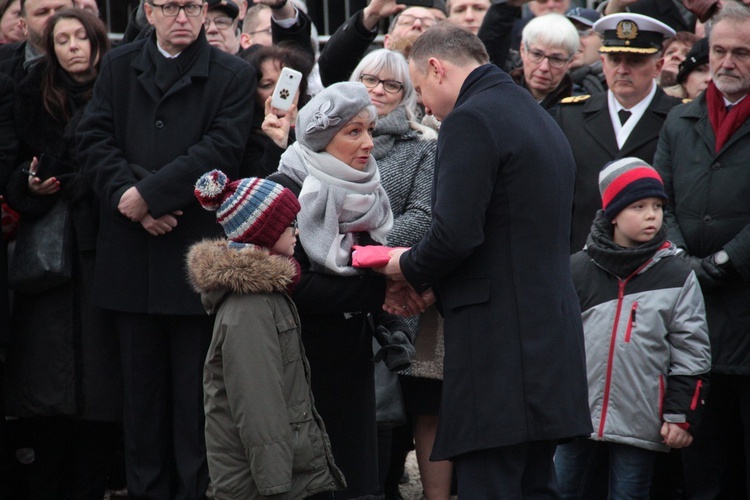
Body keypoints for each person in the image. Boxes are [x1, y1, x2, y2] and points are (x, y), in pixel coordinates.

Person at [377, 22, 591, 497]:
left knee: (491, 485)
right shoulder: (532, 114)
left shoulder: (471, 119)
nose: (424, 107)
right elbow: (504, 235)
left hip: (499, 351)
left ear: (436, 67)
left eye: (419, 90)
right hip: (546, 341)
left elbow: (455, 234)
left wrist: (404, 268)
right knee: (535, 483)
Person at [75, 0, 255, 496]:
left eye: (193, 6)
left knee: (198, 404)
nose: (183, 16)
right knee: (141, 405)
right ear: (148, 12)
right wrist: (128, 199)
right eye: (170, 5)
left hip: (194, 259)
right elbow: (92, 139)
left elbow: (222, 148)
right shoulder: (117, 63)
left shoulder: (232, 74)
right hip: (131, 256)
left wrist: (150, 195)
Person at [268, 81, 412, 499]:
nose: (368, 142)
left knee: (355, 479)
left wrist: (391, 320)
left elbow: (372, 261)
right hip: (299, 356)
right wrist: (377, 295)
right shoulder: (285, 187)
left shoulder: (367, 190)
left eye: (370, 130)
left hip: (352, 354)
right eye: (353, 131)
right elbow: (286, 278)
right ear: (320, 136)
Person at [2, 8, 121, 498]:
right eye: (61, 39)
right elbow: (8, 168)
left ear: (96, 41)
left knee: (101, 383)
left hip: (103, 250)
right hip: (48, 263)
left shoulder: (120, 90)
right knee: (48, 386)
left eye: (80, 37)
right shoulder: (29, 96)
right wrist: (29, 185)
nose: (73, 46)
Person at [556, 158, 711, 499]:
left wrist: (680, 414)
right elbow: (554, 342)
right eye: (638, 206)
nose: (652, 215)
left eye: (657, 206)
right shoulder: (577, 270)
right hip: (575, 416)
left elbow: (692, 352)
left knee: (629, 493)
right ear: (612, 213)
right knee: (562, 490)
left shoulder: (677, 275)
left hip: (641, 418)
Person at [187, 172, 346, 499]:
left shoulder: (266, 295)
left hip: (278, 474)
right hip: (263, 483)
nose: (297, 231)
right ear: (263, 233)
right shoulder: (251, 307)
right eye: (289, 224)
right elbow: (259, 405)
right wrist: (275, 486)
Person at [653, 3, 750, 496]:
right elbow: (662, 200)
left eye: (741, 52)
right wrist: (684, 259)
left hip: (746, 310)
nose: (727, 62)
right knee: (702, 469)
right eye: (718, 51)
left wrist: (725, 261)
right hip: (694, 318)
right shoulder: (681, 120)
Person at [347, 48, 440, 499]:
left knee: (392, 405)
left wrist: (362, 252)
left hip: (393, 283)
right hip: (335, 287)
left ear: (407, 94)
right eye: (370, 79)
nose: (378, 90)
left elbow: (424, 215)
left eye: (391, 85)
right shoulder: (325, 136)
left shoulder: (424, 145)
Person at [555, 12, 681, 253]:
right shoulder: (570, 115)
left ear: (658, 66)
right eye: (614, 59)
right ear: (603, 63)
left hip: (653, 261)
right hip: (583, 260)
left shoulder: (679, 118)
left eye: (634, 60)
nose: (622, 69)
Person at [317, 0, 446, 87]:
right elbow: (331, 68)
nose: (417, 24)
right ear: (387, 41)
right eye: (407, 22)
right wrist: (371, 14)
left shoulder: (447, 74)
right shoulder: (369, 64)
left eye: (427, 24)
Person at [240, 44, 313, 177]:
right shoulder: (246, 136)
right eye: (267, 85)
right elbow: (263, 185)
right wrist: (277, 142)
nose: (280, 91)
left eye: (286, 82)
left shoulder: (319, 120)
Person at [513, 13, 578, 115]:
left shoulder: (578, 110)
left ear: (570, 61)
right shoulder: (499, 94)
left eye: (556, 59)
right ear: (522, 50)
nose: (544, 68)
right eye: (537, 54)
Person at [0, 0, 73, 83]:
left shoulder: (90, 61)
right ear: (24, 25)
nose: (53, 17)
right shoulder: (3, 62)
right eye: (42, 12)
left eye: (62, 11)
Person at [565, 7, 606, 95]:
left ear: (604, 40)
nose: (573, 40)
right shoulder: (552, 83)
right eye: (568, 34)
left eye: (583, 33)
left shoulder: (617, 80)